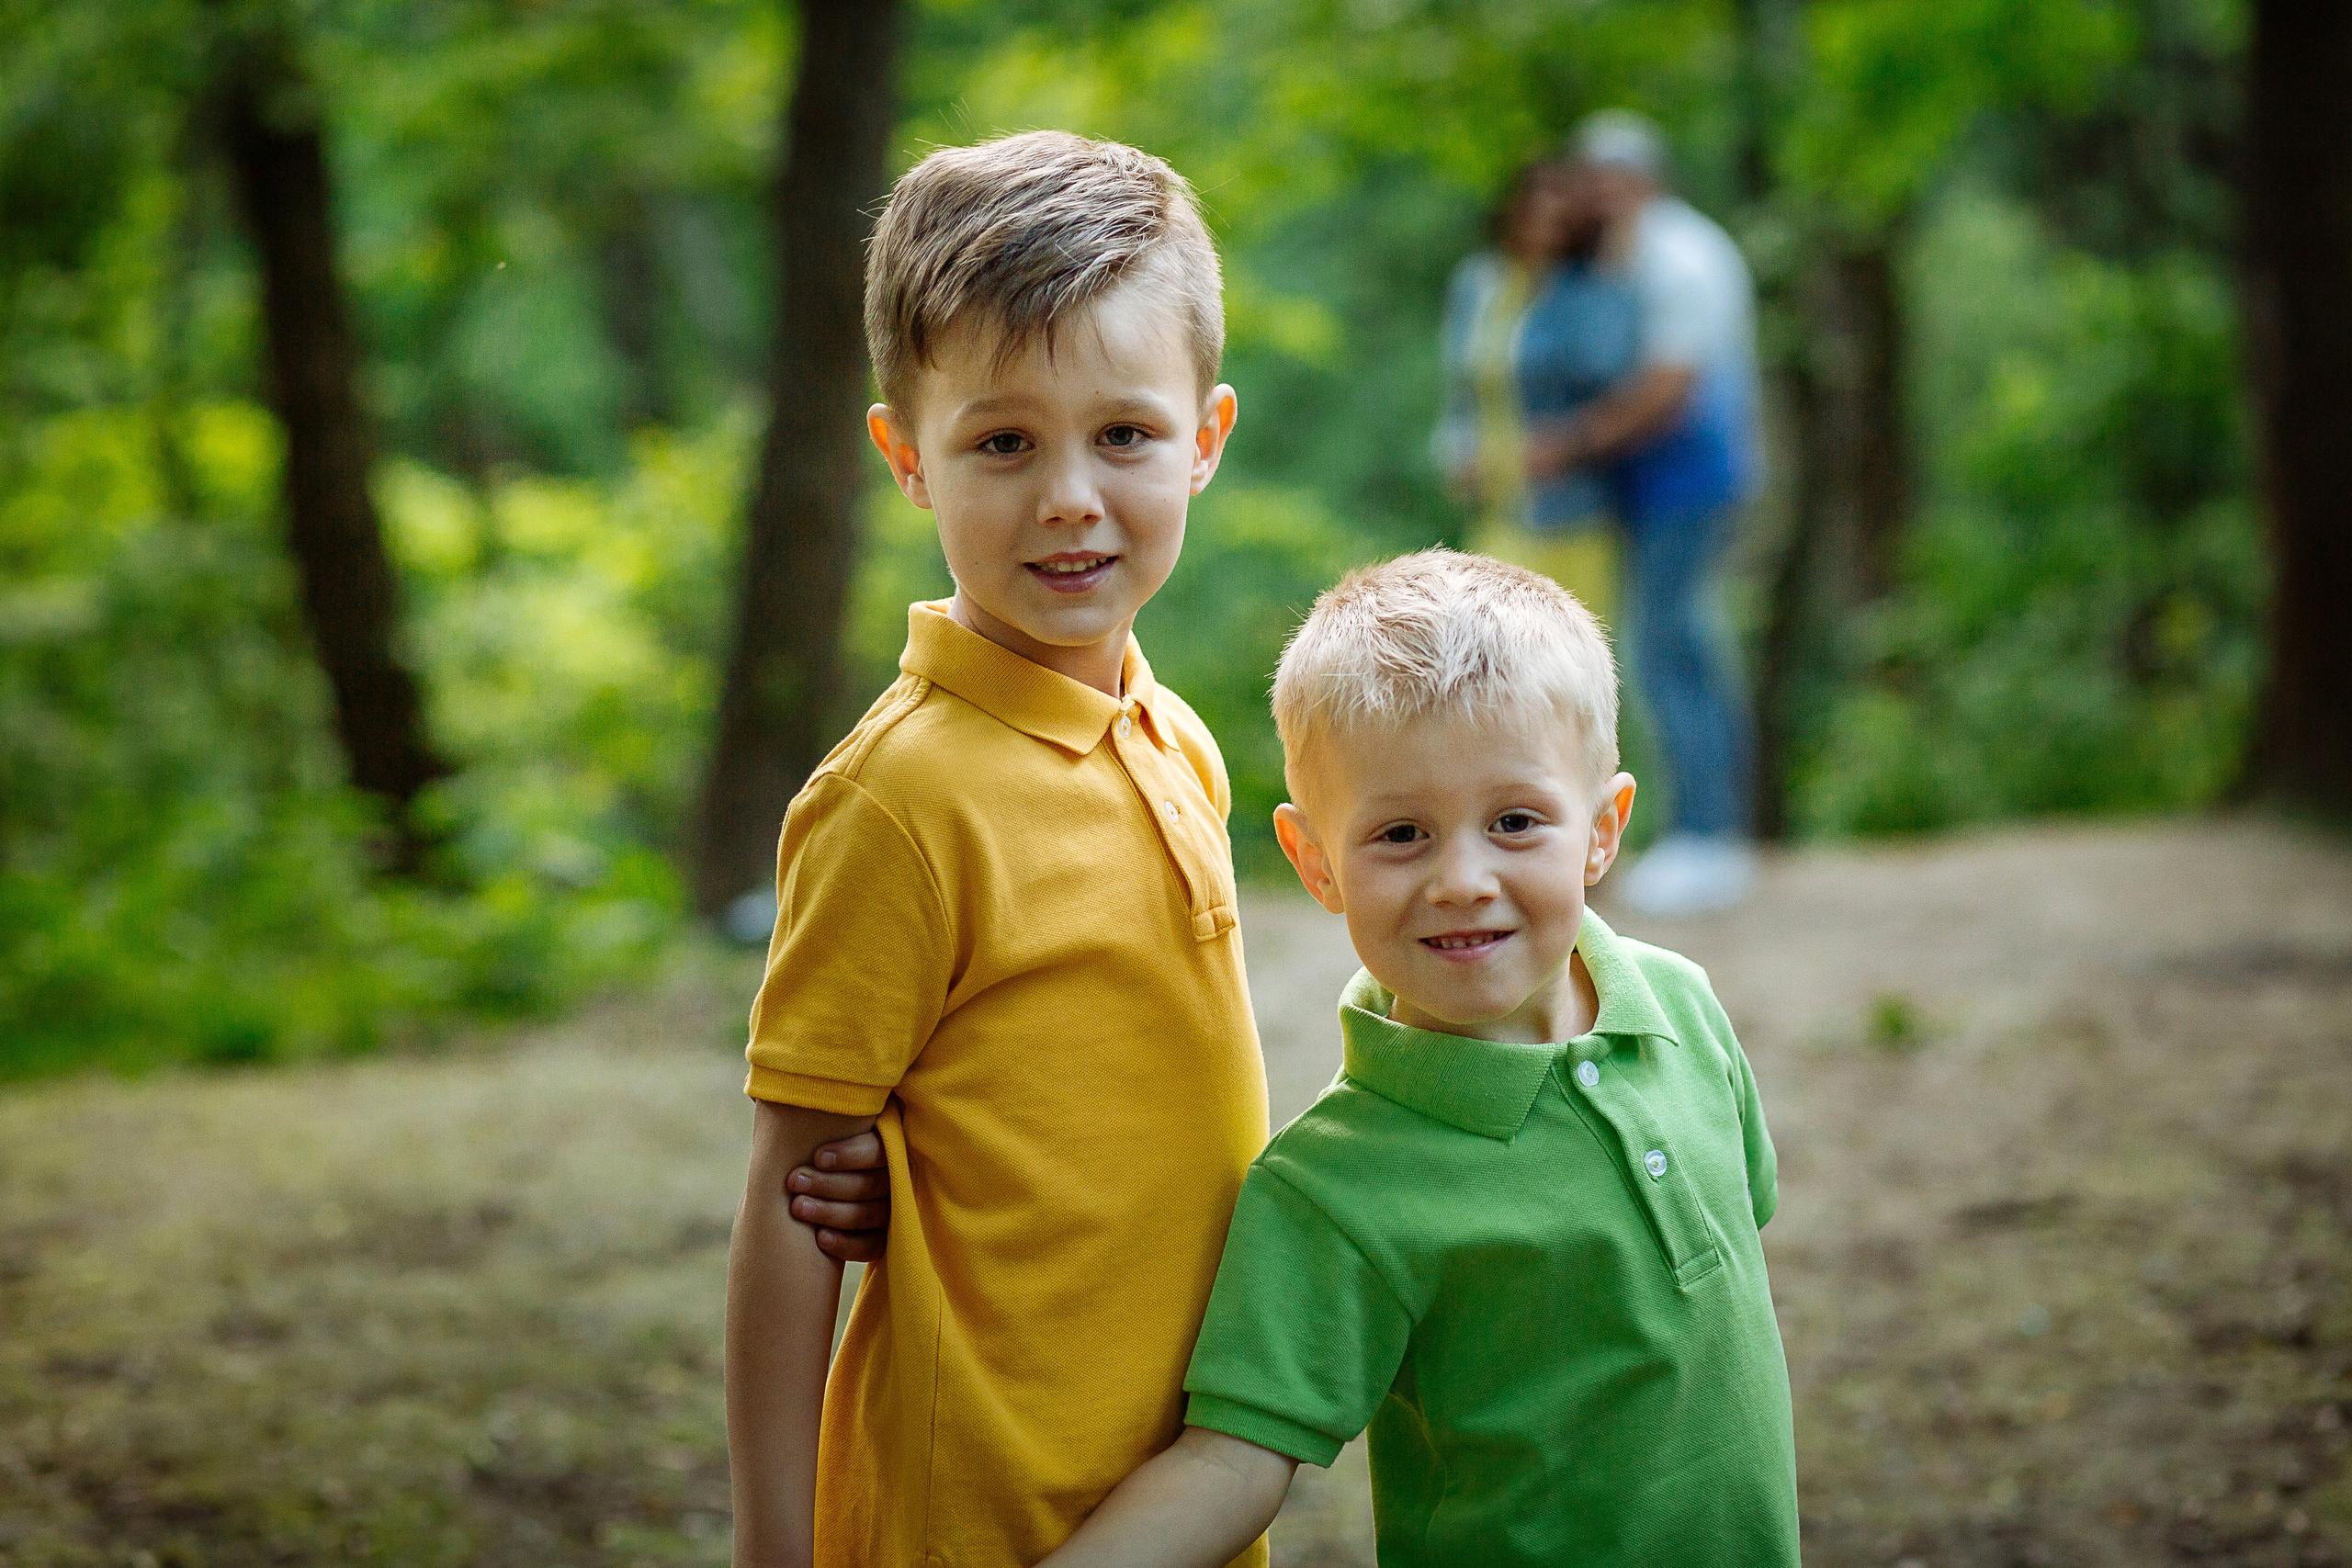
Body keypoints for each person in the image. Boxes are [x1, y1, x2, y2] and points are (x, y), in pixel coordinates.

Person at [724, 131, 1272, 1568]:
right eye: (1004, 441)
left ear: (1206, 438)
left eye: (1126, 434)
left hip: (1176, 1491)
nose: (1071, 496)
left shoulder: (1183, 741)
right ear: (908, 456)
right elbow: (789, 1202)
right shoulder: (898, 800)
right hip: (968, 1507)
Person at [1038, 550, 1799, 1568]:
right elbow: (1230, 1463)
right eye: (1401, 834)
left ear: (1602, 832)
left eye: (1515, 822)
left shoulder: (1683, 1010)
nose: (1462, 880)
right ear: (1316, 862)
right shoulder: (1333, 1185)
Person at [1530, 110, 1764, 916]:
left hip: (1690, 479)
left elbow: (1671, 384)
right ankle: (1702, 827)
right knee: (1667, 643)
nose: (1595, 192)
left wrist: (1570, 441)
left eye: (1605, 176)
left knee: (1678, 642)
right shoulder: (1632, 254)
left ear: (1639, 177)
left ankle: (1712, 832)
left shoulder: (1677, 256)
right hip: (1656, 485)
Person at [1432, 162, 1636, 626]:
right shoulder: (1481, 283)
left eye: (1561, 218)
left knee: (1571, 652)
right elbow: (1461, 385)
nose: (1546, 227)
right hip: (1496, 498)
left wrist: (1564, 444)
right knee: (1492, 644)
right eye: (1536, 213)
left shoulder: (1594, 291)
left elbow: (1611, 377)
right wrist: (1455, 451)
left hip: (1573, 506)